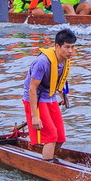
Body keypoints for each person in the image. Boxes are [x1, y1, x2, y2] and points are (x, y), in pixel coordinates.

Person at [23, 29, 78, 160]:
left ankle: (47, 158)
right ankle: (47, 166)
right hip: (35, 98)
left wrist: (63, 95)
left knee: (60, 137)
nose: (70, 51)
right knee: (51, 136)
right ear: (57, 46)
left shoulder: (64, 59)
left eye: (72, 47)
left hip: (50, 96)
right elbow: (32, 88)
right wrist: (34, 116)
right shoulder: (42, 62)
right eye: (67, 47)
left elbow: (60, 78)